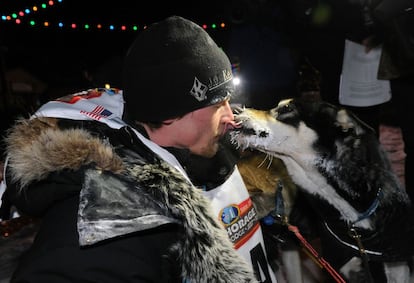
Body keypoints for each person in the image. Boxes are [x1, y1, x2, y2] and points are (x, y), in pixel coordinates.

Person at [1, 15, 277, 282]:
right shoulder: (110, 223)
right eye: (218, 104)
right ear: (169, 113)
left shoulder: (207, 150)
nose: (231, 116)